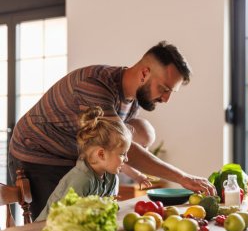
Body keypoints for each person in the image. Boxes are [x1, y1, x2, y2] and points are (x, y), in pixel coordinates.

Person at [8, 41, 216, 220]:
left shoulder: (133, 99)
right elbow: (116, 144)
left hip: (73, 159)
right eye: (164, 89)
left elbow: (120, 144)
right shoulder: (94, 85)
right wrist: (182, 177)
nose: (166, 99)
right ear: (145, 73)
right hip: (38, 156)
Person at [36, 106, 132, 221]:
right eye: (122, 154)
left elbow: (109, 208)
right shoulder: (81, 180)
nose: (126, 159)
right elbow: (68, 217)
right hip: (46, 229)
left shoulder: (112, 178)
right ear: (101, 154)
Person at [119, 118, 156, 188]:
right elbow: (124, 165)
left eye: (147, 147)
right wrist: (138, 176)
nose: (145, 151)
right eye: (142, 146)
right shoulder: (119, 151)